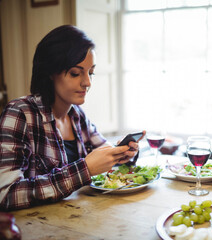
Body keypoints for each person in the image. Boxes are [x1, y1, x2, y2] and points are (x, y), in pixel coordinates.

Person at [0, 25, 144, 211]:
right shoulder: (20, 114)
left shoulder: (76, 114)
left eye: (90, 72)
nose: (87, 82)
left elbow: (104, 153)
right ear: (50, 72)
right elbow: (6, 194)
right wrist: (85, 170)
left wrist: (123, 154)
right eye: (76, 73)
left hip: (75, 219)